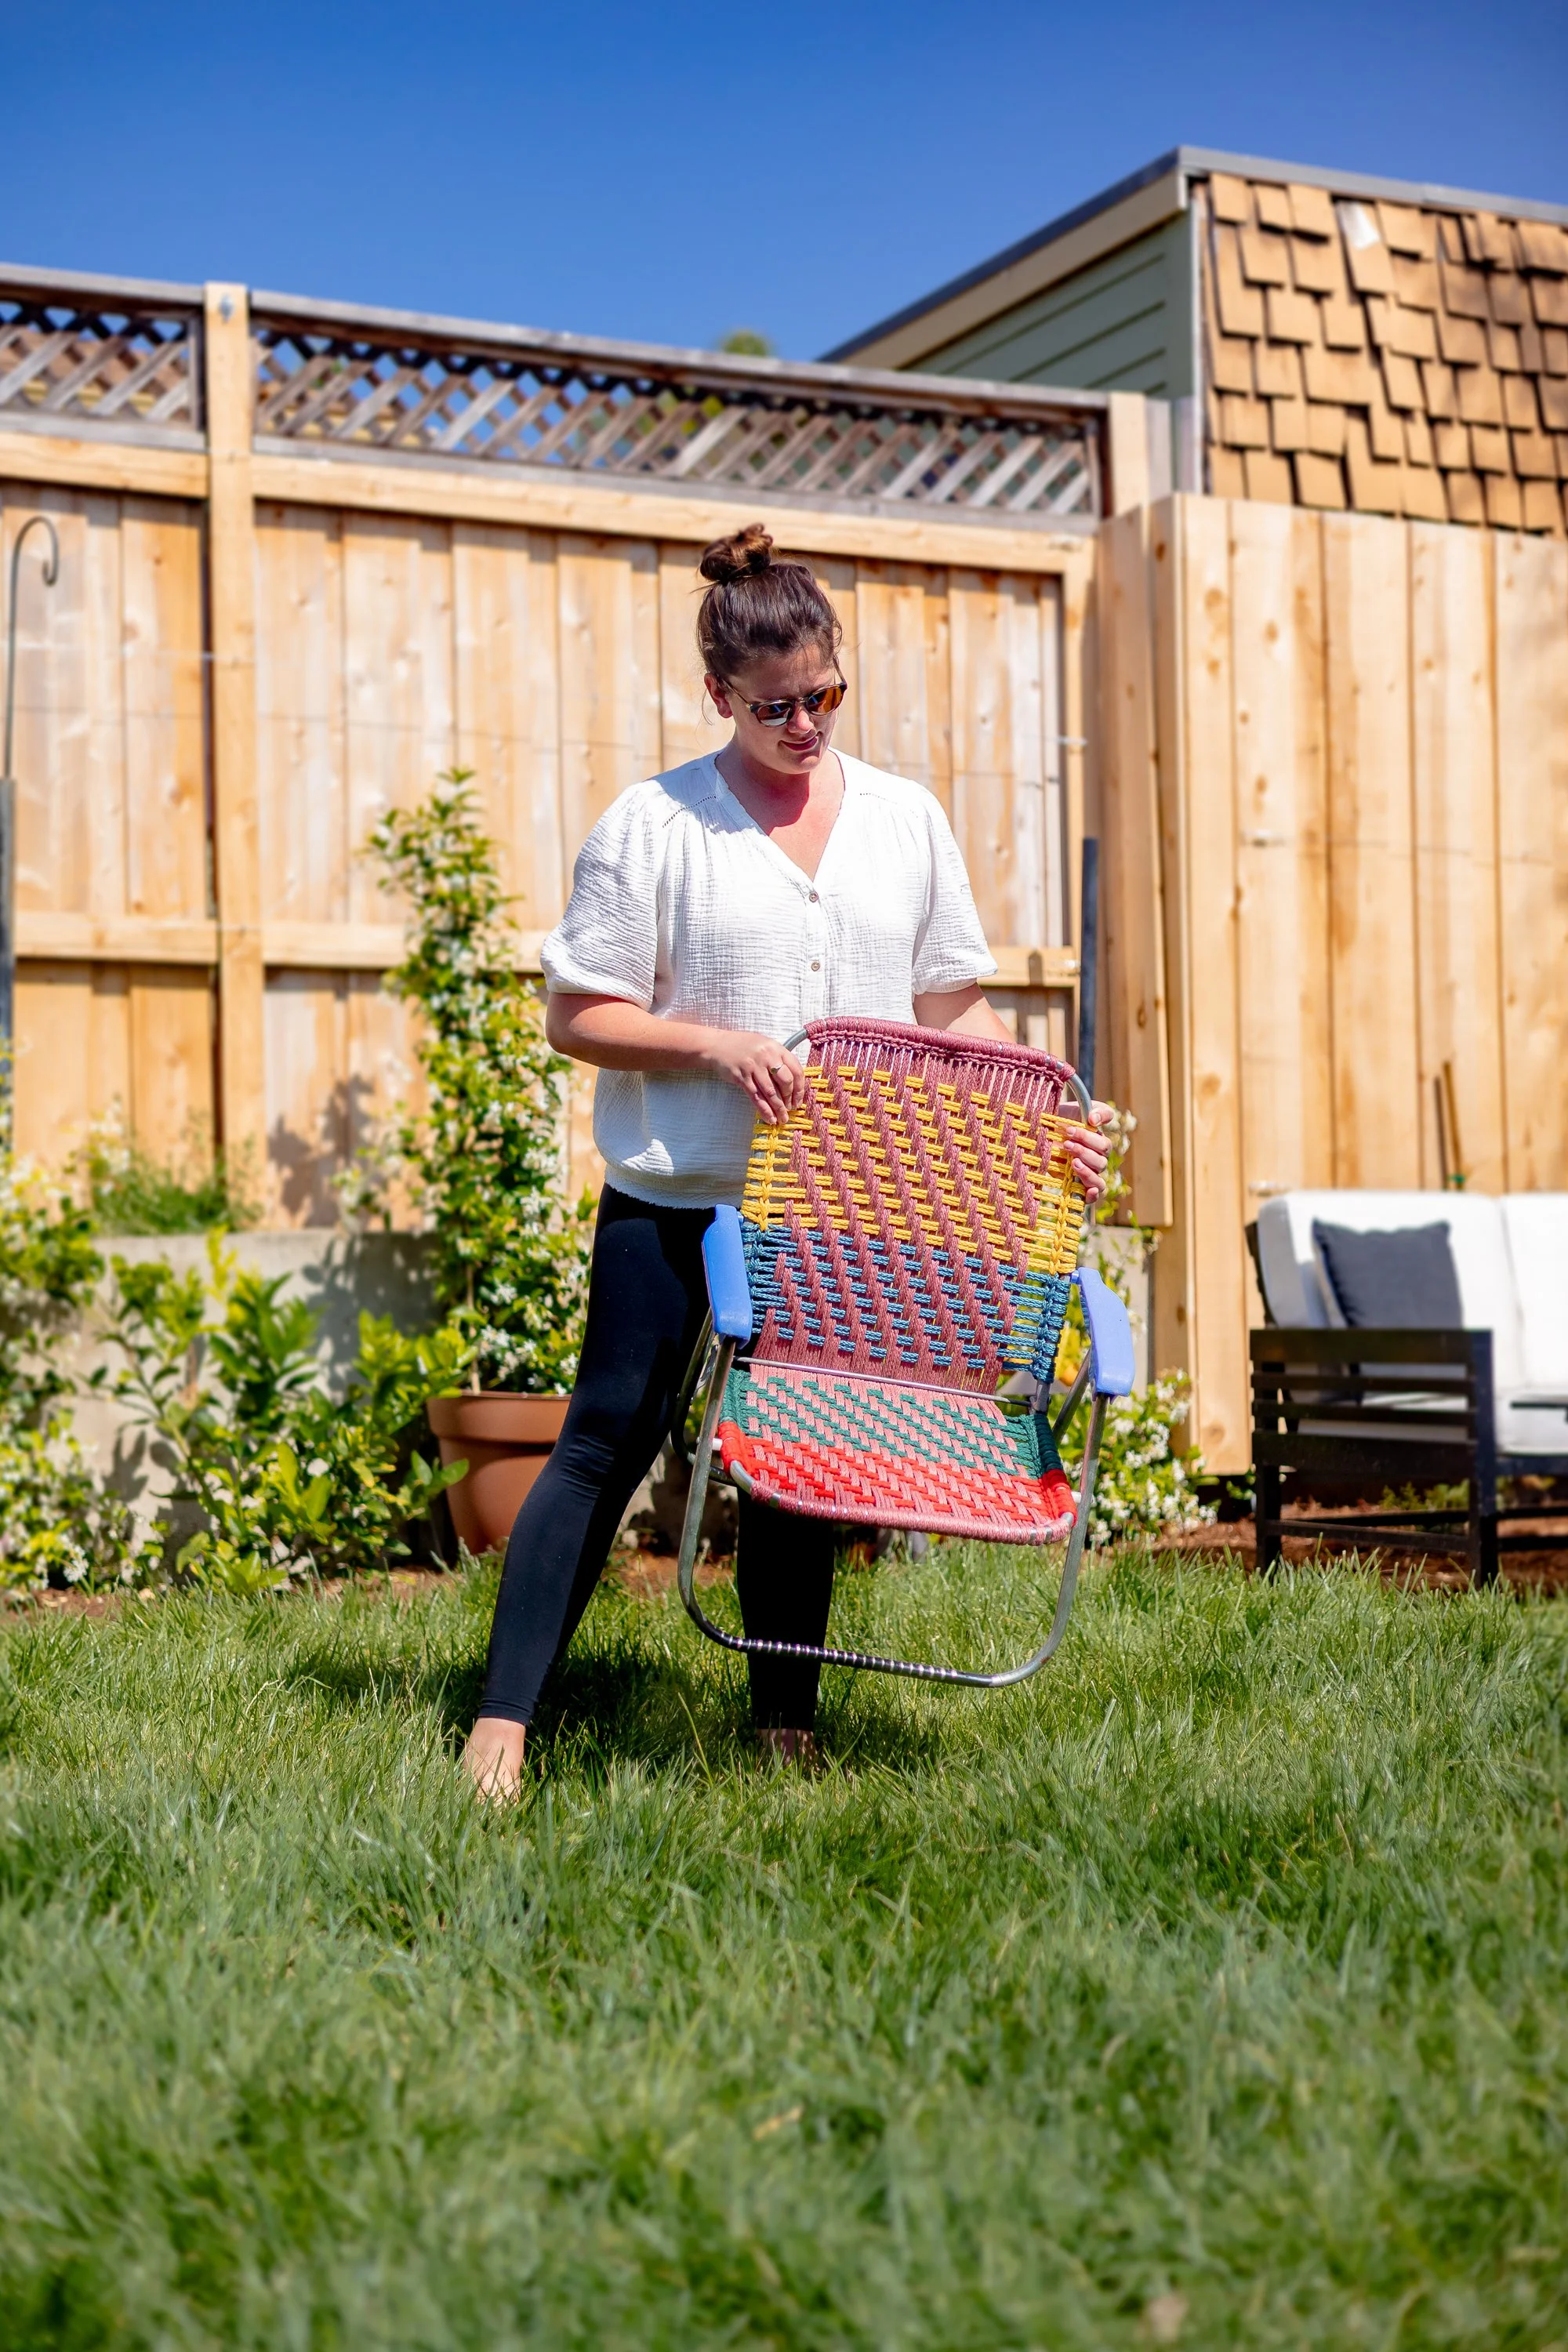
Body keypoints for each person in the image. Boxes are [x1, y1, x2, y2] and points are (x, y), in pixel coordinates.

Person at [463, 523, 1110, 1798]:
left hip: (832, 1201)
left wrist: (1051, 1110)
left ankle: (783, 1729)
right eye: (777, 707)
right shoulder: (653, 826)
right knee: (605, 1438)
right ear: (720, 696)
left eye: (826, 696)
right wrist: (713, 1045)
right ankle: (501, 1725)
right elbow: (575, 1014)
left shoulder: (904, 822)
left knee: (798, 1456)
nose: (806, 723)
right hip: (680, 1187)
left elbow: (950, 1008)